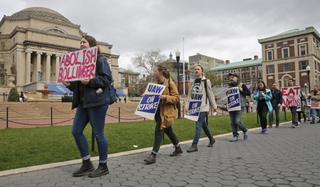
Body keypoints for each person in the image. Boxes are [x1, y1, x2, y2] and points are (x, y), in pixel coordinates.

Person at [62, 35, 112, 178]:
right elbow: (79, 86)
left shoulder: (100, 60)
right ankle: (87, 163)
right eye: (80, 42)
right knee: (76, 131)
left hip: (97, 102)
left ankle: (103, 165)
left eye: (84, 42)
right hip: (84, 103)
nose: (81, 44)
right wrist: (69, 84)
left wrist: (89, 81)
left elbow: (107, 79)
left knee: (98, 133)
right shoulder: (79, 63)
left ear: (92, 44)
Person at [144, 65, 182, 164]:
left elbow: (177, 98)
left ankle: (153, 155)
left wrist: (164, 97)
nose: (154, 73)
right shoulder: (156, 85)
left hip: (166, 113)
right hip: (158, 113)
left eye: (155, 71)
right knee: (168, 130)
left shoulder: (170, 83)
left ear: (160, 72)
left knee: (159, 131)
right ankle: (178, 148)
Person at [186, 65, 217, 153]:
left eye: (198, 69)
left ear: (202, 71)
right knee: (203, 125)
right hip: (194, 107)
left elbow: (210, 94)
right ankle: (211, 139)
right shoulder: (193, 82)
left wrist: (214, 106)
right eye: (195, 69)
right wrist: (187, 105)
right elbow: (189, 95)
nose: (196, 70)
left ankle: (194, 145)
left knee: (198, 125)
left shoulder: (206, 81)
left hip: (203, 107)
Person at [227, 73, 249, 142]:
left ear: (237, 78)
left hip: (240, 105)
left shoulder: (241, 85)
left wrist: (241, 90)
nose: (231, 78)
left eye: (233, 77)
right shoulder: (229, 86)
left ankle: (245, 130)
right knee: (232, 122)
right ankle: (235, 135)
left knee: (237, 121)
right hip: (232, 106)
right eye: (231, 77)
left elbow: (248, 93)